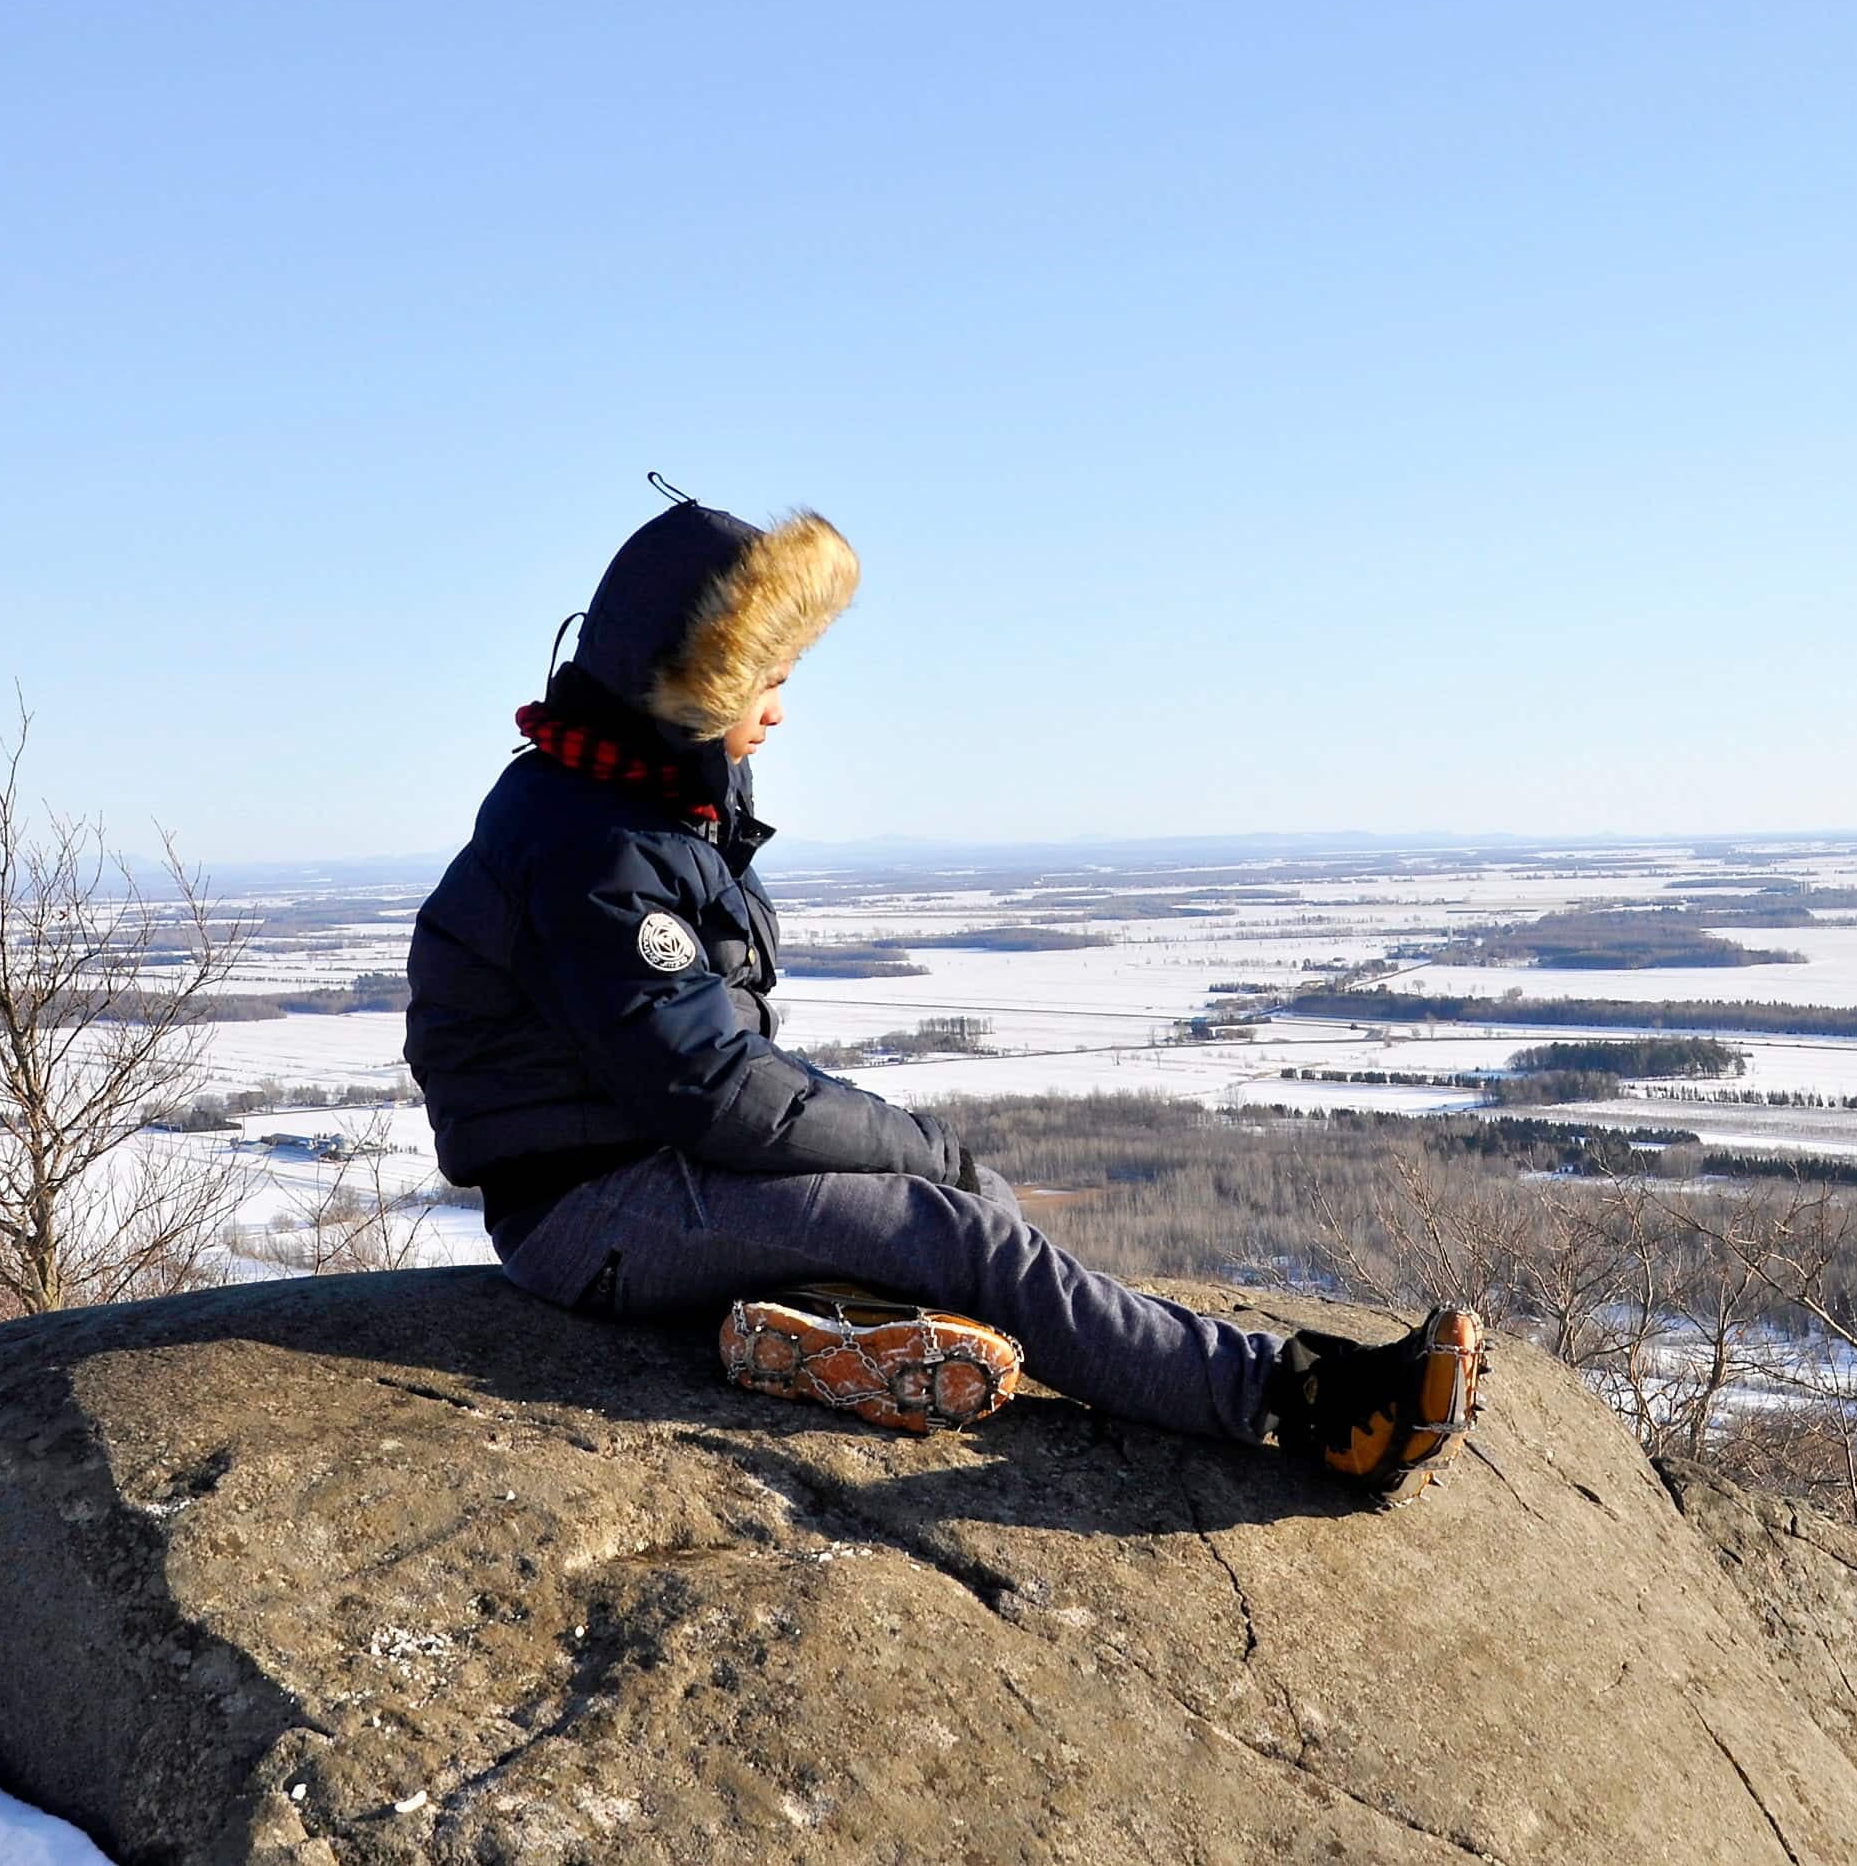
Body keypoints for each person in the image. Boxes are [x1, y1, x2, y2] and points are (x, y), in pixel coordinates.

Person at [405, 482, 1480, 1493]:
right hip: (587, 1208)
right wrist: (920, 1149)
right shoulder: (594, 843)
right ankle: (1309, 1403)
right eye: (766, 681)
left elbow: (707, 1066)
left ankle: (822, 1333)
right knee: (966, 1232)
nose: (781, 711)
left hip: (638, 1164)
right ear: (689, 688)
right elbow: (712, 1086)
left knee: (972, 1211)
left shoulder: (634, 798)